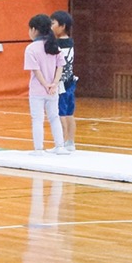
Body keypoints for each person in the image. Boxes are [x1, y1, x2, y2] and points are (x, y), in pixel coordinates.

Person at [24, 14, 67, 155]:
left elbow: (36, 70)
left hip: (38, 90)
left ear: (34, 30)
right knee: (54, 117)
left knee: (37, 119)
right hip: (53, 90)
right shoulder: (55, 46)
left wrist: (45, 84)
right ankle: (59, 146)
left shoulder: (31, 48)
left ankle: (38, 148)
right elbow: (60, 66)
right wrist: (53, 84)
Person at [51, 10, 77, 152]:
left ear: (62, 26)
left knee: (60, 113)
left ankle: (60, 142)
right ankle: (70, 142)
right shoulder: (70, 41)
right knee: (69, 113)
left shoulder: (58, 43)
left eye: (53, 23)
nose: (51, 26)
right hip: (70, 81)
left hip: (61, 83)